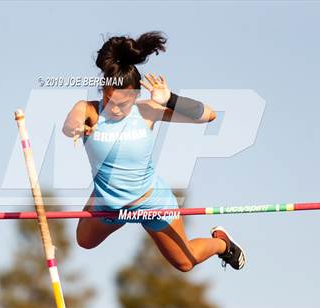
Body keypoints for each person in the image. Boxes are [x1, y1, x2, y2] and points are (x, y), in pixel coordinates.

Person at [62, 31, 246, 271]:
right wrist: (75, 126)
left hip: (150, 203)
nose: (115, 110)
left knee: (185, 262)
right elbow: (70, 125)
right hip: (110, 206)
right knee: (84, 241)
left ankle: (223, 244)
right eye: (109, 100)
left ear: (136, 96)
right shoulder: (88, 110)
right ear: (103, 91)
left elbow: (208, 115)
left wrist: (169, 99)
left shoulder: (147, 111)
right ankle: (101, 194)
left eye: (123, 104)